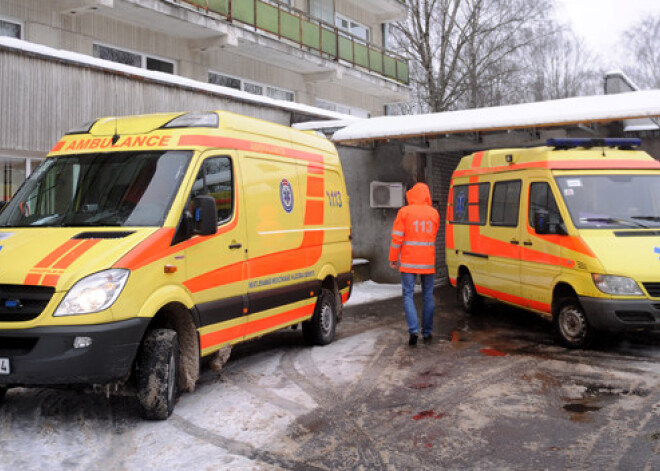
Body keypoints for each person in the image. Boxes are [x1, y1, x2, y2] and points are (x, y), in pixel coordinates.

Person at [388, 182, 440, 346]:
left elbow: (397, 238)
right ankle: (427, 331)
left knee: (408, 295)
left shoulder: (404, 212)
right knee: (428, 295)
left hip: (409, 261)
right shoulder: (434, 214)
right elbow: (433, 235)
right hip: (427, 262)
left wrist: (393, 258)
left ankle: (413, 330)